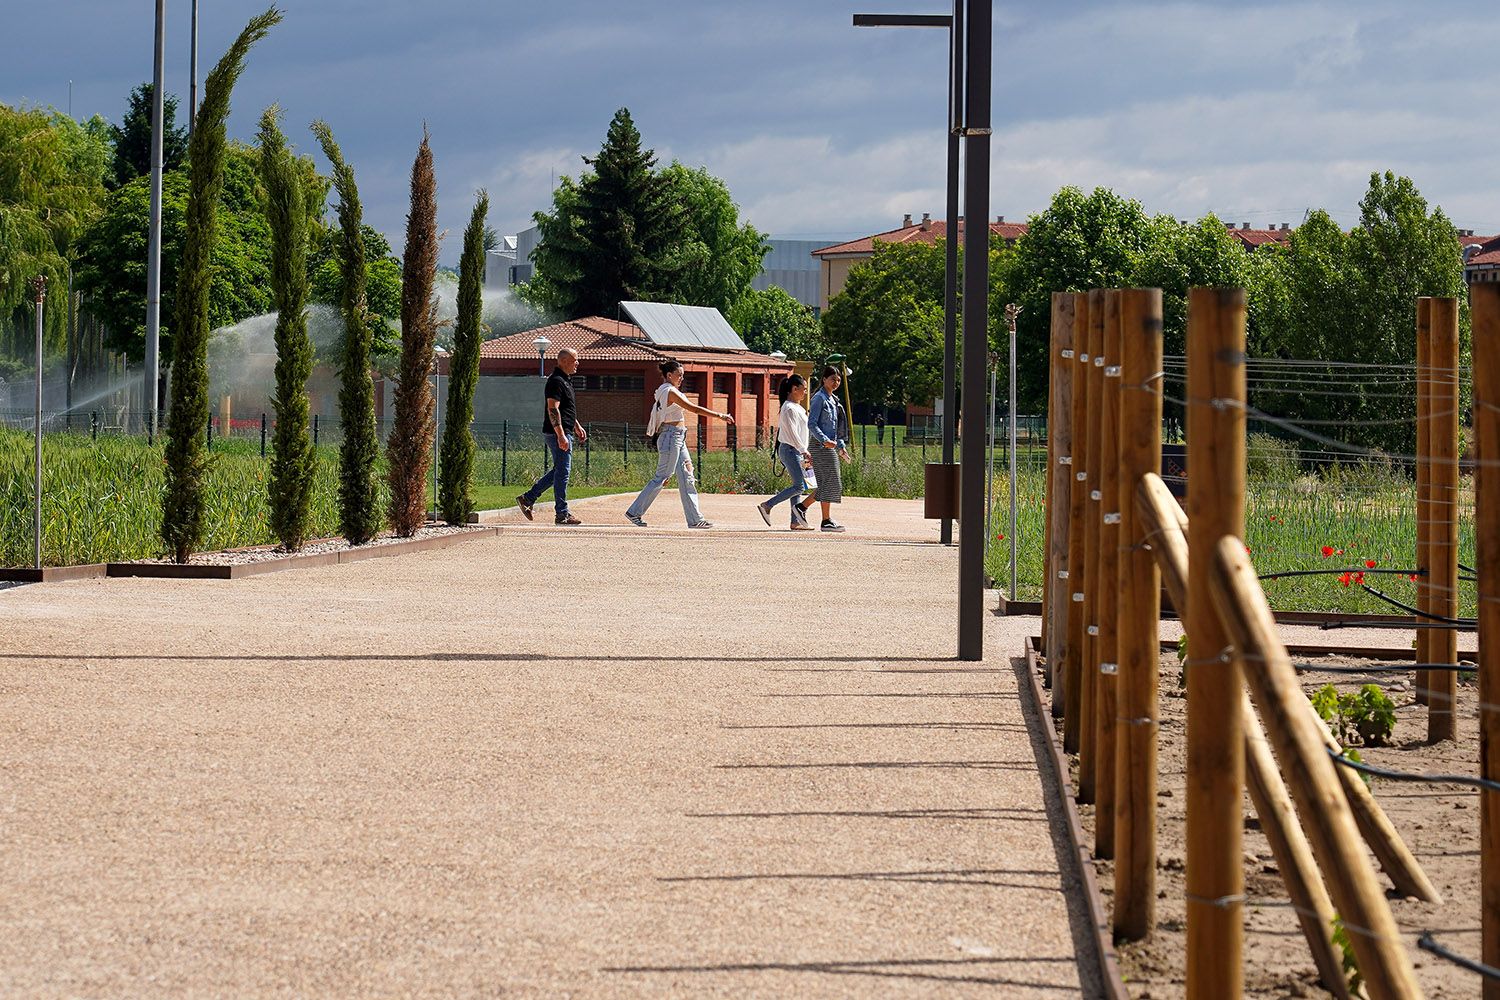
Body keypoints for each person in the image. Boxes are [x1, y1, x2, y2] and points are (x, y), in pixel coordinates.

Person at [625, 360, 735, 528]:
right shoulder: (669, 391)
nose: (682, 378)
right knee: (662, 477)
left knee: (687, 477)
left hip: (677, 437)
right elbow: (695, 409)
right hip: (671, 437)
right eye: (679, 375)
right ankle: (634, 512)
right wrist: (721, 416)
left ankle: (695, 520)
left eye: (683, 375)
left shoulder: (664, 390)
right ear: (669, 375)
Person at [516, 347, 586, 525]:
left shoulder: (565, 380)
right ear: (563, 361)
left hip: (565, 431)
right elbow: (553, 408)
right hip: (557, 433)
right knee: (563, 472)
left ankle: (528, 498)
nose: (577, 363)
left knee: (559, 471)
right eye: (574, 360)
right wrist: (561, 435)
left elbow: (565, 409)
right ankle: (561, 513)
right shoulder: (555, 381)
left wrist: (576, 426)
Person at [755, 374, 814, 530]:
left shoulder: (797, 408)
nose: (805, 392)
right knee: (800, 485)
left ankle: (795, 521)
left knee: (799, 485)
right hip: (790, 450)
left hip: (797, 450)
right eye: (804, 389)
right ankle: (767, 505)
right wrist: (804, 450)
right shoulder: (788, 408)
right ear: (795, 389)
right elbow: (793, 433)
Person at [801, 365, 852, 532]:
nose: (836, 382)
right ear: (824, 379)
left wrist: (841, 447)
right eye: (833, 379)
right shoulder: (819, 399)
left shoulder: (833, 400)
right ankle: (824, 519)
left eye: (838, 380)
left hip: (829, 445)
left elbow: (836, 428)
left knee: (829, 482)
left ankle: (804, 509)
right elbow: (812, 424)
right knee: (831, 481)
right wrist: (824, 441)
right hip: (819, 446)